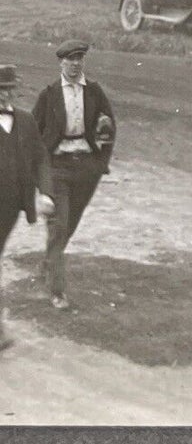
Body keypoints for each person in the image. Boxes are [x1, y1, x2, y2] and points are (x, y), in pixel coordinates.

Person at [32, 39, 116, 311]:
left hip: (86, 168)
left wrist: (101, 162)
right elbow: (33, 136)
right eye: (70, 59)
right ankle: (57, 290)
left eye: (79, 58)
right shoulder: (49, 95)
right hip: (57, 167)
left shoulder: (94, 91)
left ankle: (48, 262)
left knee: (70, 224)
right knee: (58, 226)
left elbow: (109, 127)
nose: (75, 64)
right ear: (61, 63)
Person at [0, 63, 49, 350]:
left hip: (12, 207)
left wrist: (47, 194)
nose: (4, 97)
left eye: (9, 90)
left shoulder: (26, 121)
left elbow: (41, 158)